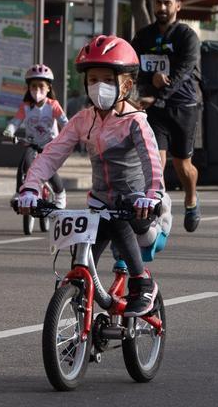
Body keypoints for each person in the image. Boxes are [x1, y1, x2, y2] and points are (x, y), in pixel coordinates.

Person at [16, 35, 164, 316]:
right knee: (81, 265)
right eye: (93, 79)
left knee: (117, 218)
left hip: (137, 208)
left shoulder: (136, 122)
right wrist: (30, 189)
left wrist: (153, 195)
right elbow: (51, 154)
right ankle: (80, 331)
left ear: (126, 85)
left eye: (107, 79)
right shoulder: (84, 120)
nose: (99, 86)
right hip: (99, 204)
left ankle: (142, 282)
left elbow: (152, 162)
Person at [130, 0, 203, 232]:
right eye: (158, 2)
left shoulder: (186, 36)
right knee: (156, 164)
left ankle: (191, 198)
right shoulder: (143, 36)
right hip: (155, 110)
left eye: (167, 2)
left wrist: (161, 92)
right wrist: (148, 82)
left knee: (183, 165)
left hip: (184, 107)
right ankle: (156, 211)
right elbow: (132, 68)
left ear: (178, 6)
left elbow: (183, 73)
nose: (162, 7)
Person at [3, 64, 69, 208]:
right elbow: (16, 121)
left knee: (48, 168)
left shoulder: (53, 105)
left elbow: (65, 122)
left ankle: (60, 194)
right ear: (28, 88)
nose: (37, 90)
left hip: (50, 144)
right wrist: (10, 130)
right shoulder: (25, 106)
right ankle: (19, 192)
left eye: (41, 86)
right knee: (24, 164)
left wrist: (69, 134)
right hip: (32, 143)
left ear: (48, 88)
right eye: (33, 86)